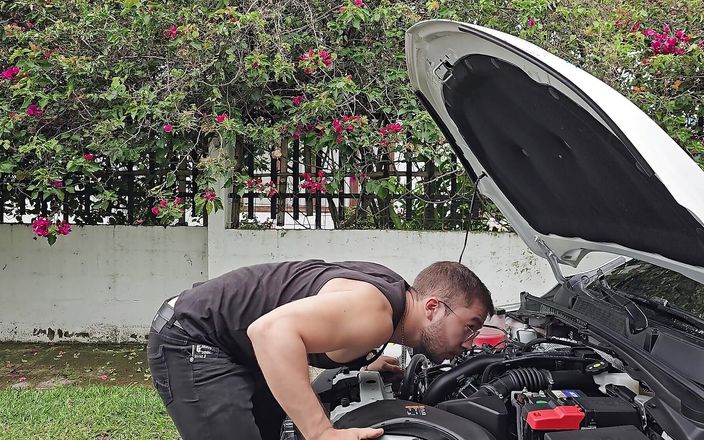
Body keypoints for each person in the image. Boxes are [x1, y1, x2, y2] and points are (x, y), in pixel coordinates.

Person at [147, 259, 494, 440]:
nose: (471, 341)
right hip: (195, 336)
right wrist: (320, 432)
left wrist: (365, 359)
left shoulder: (393, 298)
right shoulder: (375, 313)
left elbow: (318, 314)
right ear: (432, 307)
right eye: (470, 326)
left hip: (231, 340)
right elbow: (270, 332)